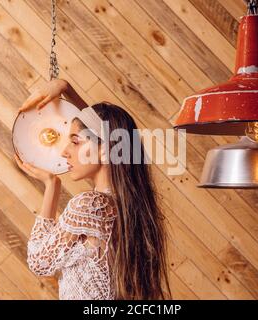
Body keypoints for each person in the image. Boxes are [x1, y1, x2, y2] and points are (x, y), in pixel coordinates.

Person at [14, 79, 172, 300]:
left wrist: (51, 186)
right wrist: (67, 89)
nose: (64, 152)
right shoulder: (131, 207)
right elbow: (102, 132)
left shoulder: (91, 205)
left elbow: (39, 263)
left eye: (75, 141)